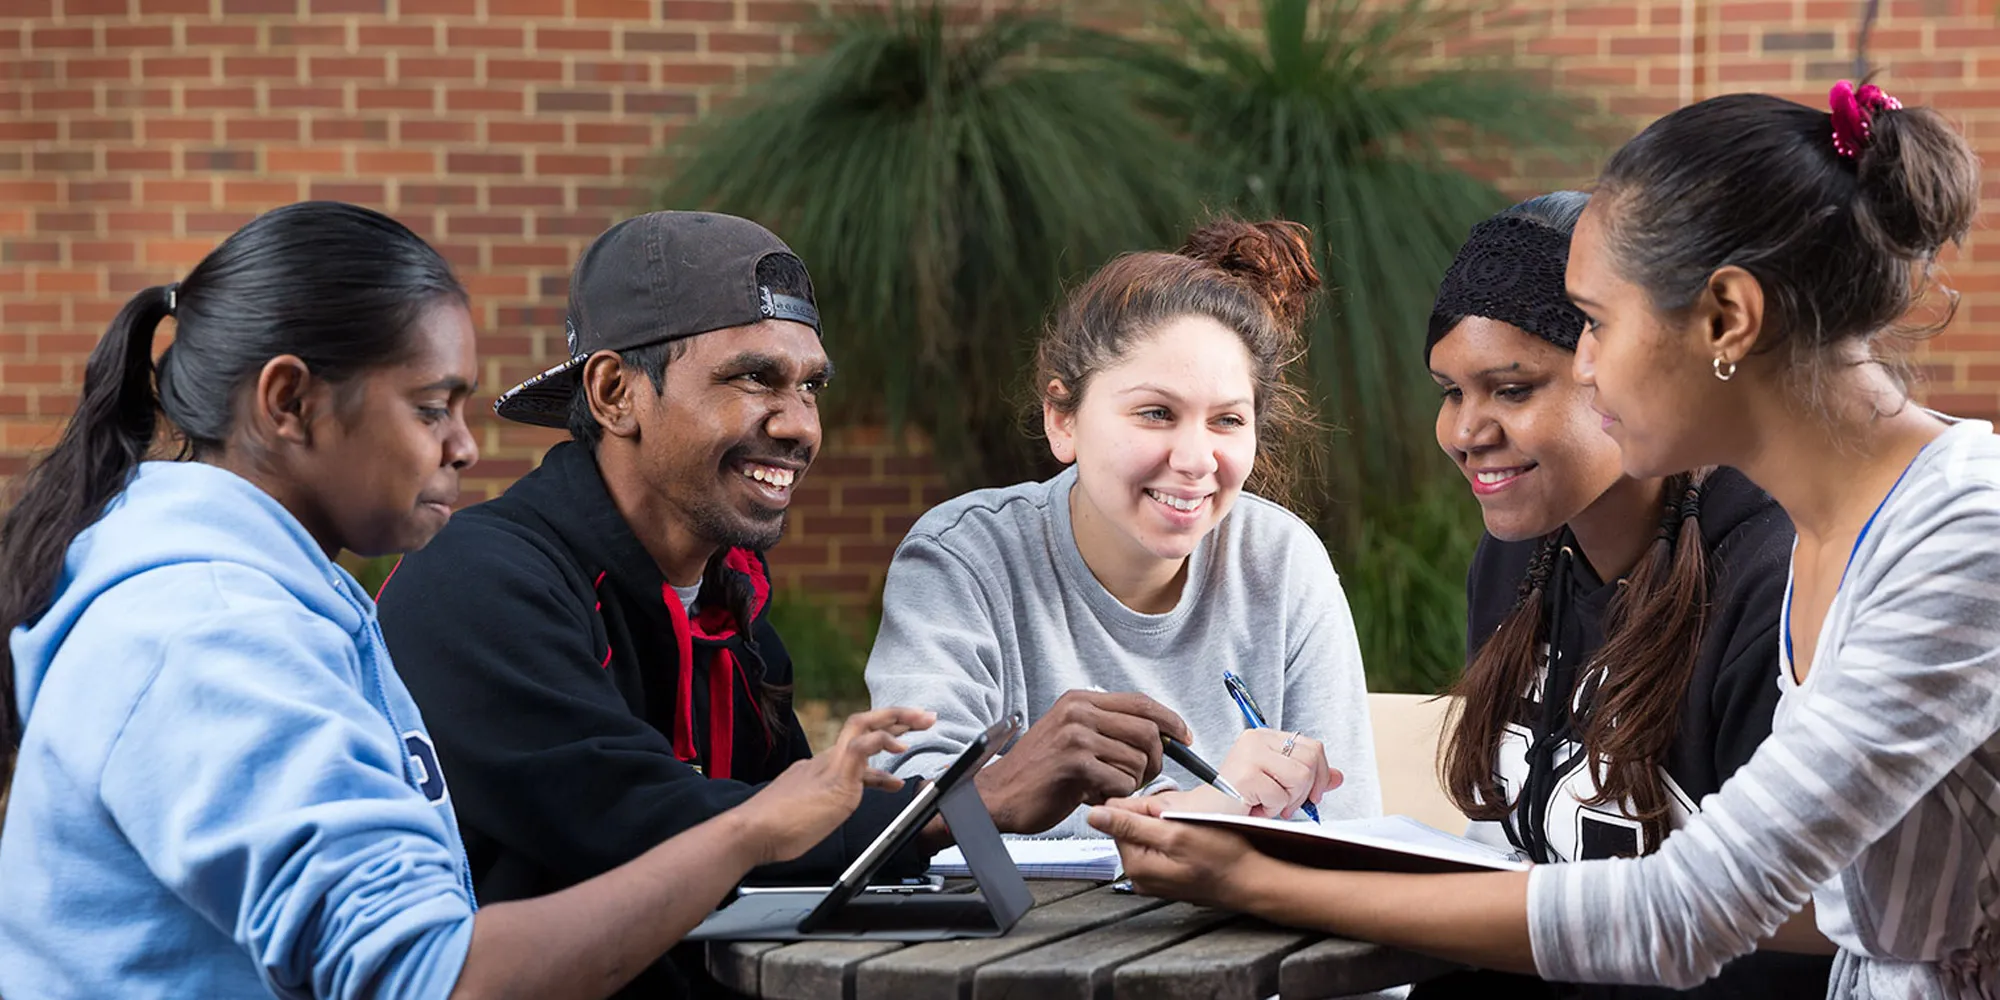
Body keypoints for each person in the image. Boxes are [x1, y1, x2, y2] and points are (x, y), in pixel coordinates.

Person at [1091, 86, 1997, 997]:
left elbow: (1692, 910)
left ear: (1727, 317)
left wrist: (1269, 882)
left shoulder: (1963, 540)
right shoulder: (1831, 531)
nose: (1590, 366)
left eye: (1597, 323)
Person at [0, 201, 931, 1000]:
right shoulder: (205, 633)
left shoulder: (279, 605)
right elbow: (436, 977)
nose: (465, 448)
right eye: (429, 407)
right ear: (288, 403)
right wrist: (747, 833)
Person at [373, 211, 1150, 996]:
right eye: (754, 378)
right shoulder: (476, 583)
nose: (799, 425)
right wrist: (968, 804)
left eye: (810, 385)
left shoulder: (732, 602)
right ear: (616, 393)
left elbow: (796, 850)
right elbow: (640, 825)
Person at [1419, 191, 1830, 998]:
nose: (1467, 431)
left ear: (1618, 371)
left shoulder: (1773, 578)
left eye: (1511, 388)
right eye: (1450, 391)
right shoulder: (1516, 562)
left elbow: (1785, 937)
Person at [867, 219, 1378, 837]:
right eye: (1156, 413)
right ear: (1063, 419)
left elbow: (1348, 830)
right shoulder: (964, 557)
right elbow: (906, 807)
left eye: (1227, 421)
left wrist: (1183, 816)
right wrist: (1197, 814)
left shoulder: (1283, 561)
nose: (1195, 459)